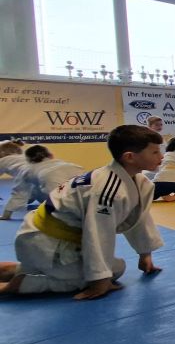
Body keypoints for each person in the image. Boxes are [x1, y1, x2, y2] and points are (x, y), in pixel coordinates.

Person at [0, 125, 164, 300]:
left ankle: (17, 269)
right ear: (129, 157)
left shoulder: (138, 181)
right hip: (45, 240)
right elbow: (98, 233)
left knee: (115, 268)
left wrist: (145, 253)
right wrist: (99, 280)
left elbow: (138, 217)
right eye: (154, 152)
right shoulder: (109, 189)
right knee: (101, 275)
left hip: (59, 239)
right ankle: (20, 284)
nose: (161, 156)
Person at [1, 145, 84, 220]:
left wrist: (6, 215)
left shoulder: (26, 170)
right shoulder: (66, 164)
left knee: (55, 200)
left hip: (56, 192)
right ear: (51, 156)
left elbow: (19, 194)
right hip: (80, 181)